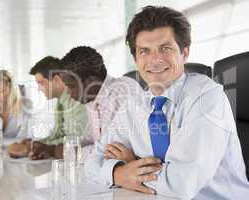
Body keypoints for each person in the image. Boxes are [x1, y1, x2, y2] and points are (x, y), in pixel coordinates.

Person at [84, 5, 249, 199]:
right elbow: (92, 162)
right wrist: (119, 173)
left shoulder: (206, 97)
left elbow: (181, 184)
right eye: (144, 51)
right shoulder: (135, 104)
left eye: (165, 48)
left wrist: (131, 165)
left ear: (184, 53)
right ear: (136, 59)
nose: (155, 60)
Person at [7, 56, 88, 159]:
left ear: (57, 80)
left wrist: (34, 148)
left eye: (41, 83)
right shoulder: (60, 102)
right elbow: (57, 135)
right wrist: (35, 143)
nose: (39, 89)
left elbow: (76, 140)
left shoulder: (76, 101)